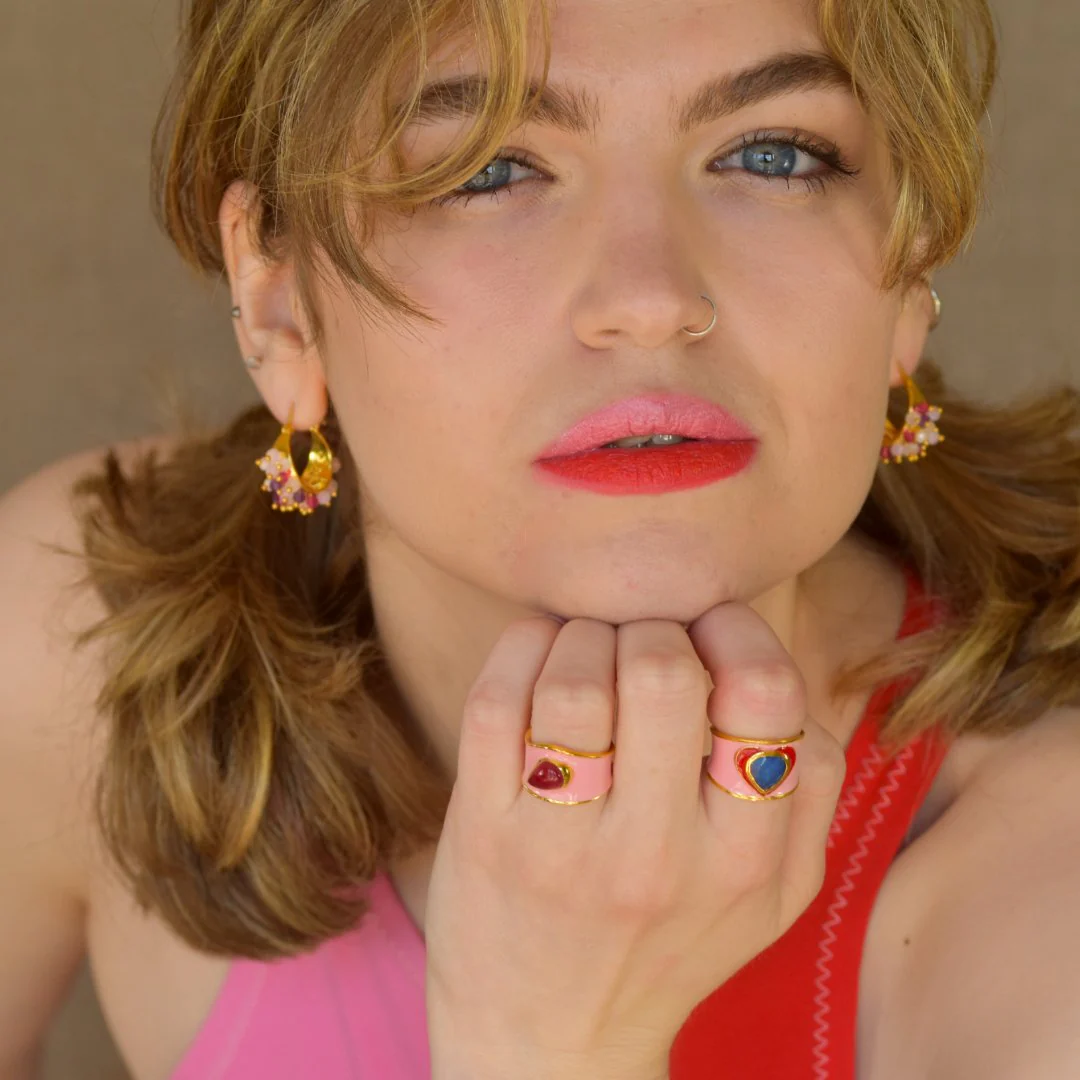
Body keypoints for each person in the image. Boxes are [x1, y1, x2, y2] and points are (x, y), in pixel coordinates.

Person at [3, 0, 1079, 1076]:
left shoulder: (1048, 911)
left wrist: (550, 1048)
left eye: (773, 155)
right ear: (279, 301)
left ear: (909, 267)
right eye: (486, 170)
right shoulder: (80, 644)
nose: (651, 301)